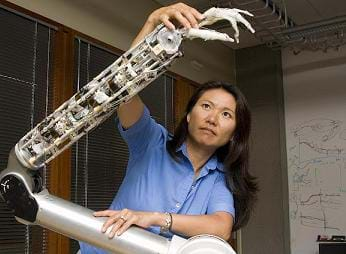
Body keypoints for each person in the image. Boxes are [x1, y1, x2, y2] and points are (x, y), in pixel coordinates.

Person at [80, 3, 258, 253]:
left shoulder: (220, 180)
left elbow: (221, 227)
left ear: (234, 134)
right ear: (188, 116)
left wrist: (154, 218)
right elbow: (123, 90)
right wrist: (151, 23)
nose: (213, 118)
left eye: (226, 114)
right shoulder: (151, 142)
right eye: (206, 106)